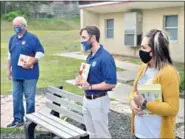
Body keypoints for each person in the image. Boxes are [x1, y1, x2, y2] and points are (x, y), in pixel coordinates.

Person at [129, 29, 180, 138]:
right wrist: (132, 103)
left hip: (155, 135)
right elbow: (134, 92)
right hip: (139, 133)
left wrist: (144, 103)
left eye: (143, 48)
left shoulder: (168, 73)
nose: (140, 51)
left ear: (154, 51)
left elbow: (172, 108)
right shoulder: (143, 68)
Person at [75, 26, 117, 138]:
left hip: (99, 101)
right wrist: (80, 80)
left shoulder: (105, 57)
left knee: (102, 135)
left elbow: (112, 83)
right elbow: (87, 77)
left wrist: (90, 87)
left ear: (93, 38)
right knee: (91, 134)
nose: (81, 41)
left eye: (84, 37)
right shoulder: (90, 56)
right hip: (87, 100)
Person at [7, 16, 45, 127]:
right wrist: (8, 69)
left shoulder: (32, 38)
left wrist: (33, 61)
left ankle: (30, 121)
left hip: (30, 75)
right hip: (16, 74)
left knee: (30, 98)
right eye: (14, 26)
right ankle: (18, 119)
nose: (16, 28)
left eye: (17, 26)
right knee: (16, 97)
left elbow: (41, 52)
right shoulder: (12, 39)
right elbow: (10, 54)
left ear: (24, 26)